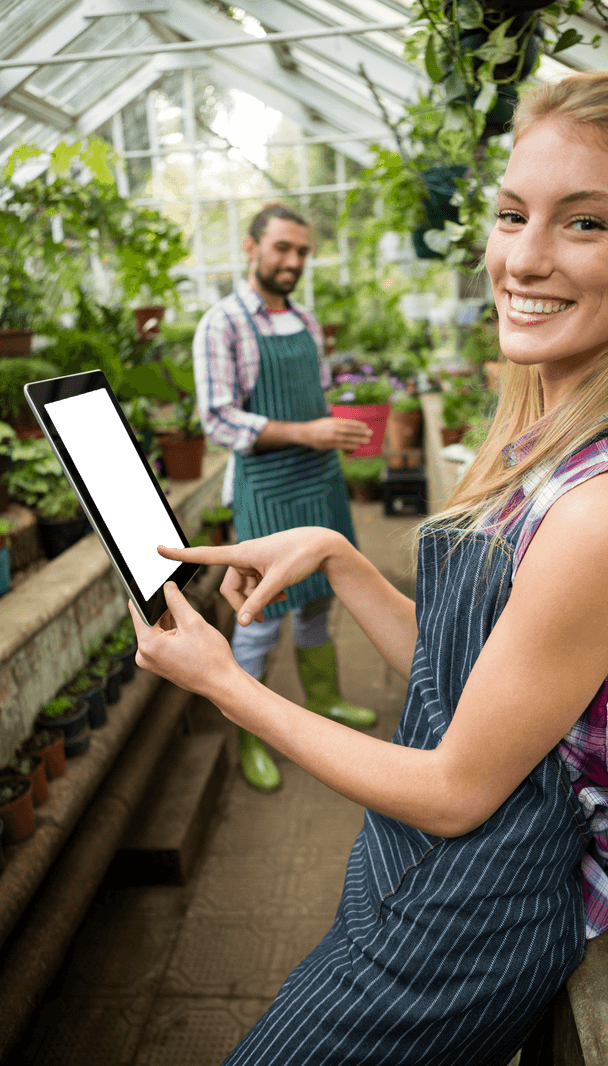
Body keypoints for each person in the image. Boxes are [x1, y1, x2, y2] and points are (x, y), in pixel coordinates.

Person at [131, 70, 608, 1066]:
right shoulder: (555, 438)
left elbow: (454, 787)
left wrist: (225, 685)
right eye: (509, 214)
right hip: (415, 871)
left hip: (464, 913)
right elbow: (477, 691)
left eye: (583, 223)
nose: (523, 258)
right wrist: (340, 556)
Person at [193, 202, 376, 793]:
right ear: (251, 248)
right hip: (267, 488)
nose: (293, 261)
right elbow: (218, 421)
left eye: (302, 251)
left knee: (321, 596)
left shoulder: (306, 320)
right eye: (281, 249)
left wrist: (330, 430)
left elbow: (312, 399)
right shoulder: (222, 324)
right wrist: (307, 432)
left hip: (319, 481)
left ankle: (325, 701)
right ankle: (254, 733)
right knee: (261, 612)